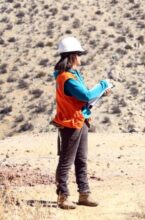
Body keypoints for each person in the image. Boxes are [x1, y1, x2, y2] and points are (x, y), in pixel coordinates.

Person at [52, 36, 112, 209]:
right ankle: (63, 197)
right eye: (78, 54)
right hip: (71, 123)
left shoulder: (72, 75)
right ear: (72, 56)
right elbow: (85, 95)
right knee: (66, 161)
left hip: (80, 120)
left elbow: (84, 97)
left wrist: (100, 93)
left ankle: (84, 194)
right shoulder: (66, 78)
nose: (80, 57)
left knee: (81, 160)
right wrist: (102, 85)